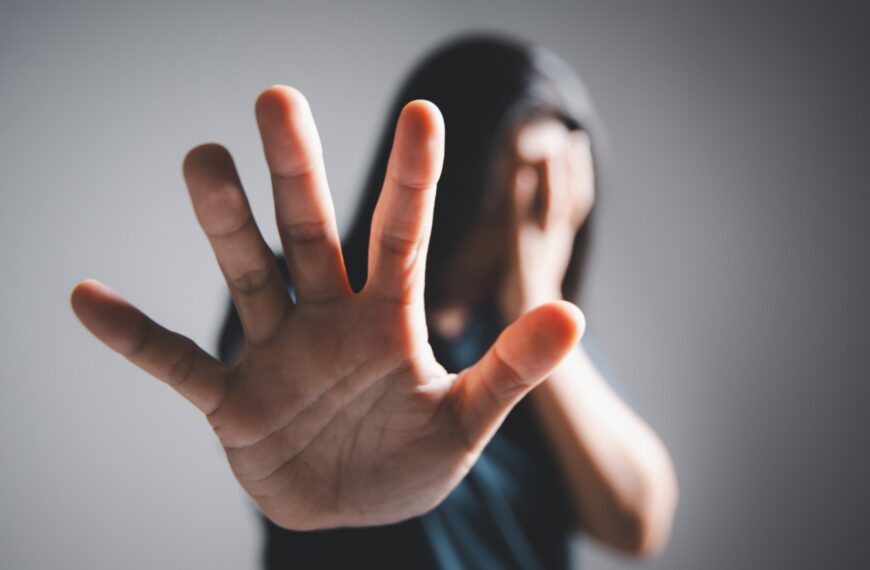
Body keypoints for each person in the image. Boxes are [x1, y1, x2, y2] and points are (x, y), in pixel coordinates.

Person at [71, 34, 677, 569]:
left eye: (547, 204)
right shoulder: (299, 312)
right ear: (461, 178)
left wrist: (536, 299)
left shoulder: (533, 354)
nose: (518, 235)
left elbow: (637, 523)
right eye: (505, 199)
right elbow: (265, 389)